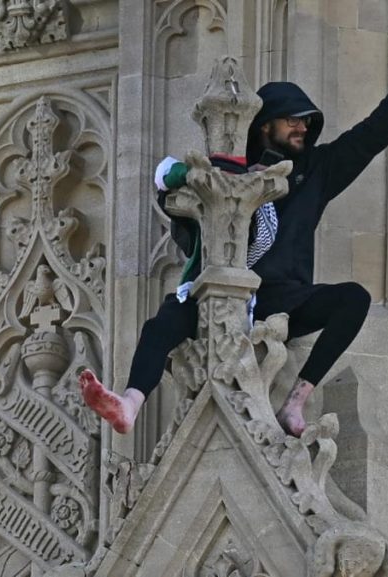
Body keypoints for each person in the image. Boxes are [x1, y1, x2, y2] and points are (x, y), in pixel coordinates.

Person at [245, 38, 388, 436]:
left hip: (287, 299)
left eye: (306, 121)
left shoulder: (316, 169)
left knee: (353, 299)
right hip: (241, 297)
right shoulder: (234, 173)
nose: (302, 127)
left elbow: (369, 137)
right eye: (292, 120)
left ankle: (296, 402)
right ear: (266, 125)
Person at [79, 153, 279, 434]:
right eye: (220, 179)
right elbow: (163, 172)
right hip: (198, 293)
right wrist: (195, 176)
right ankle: (130, 404)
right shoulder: (203, 195)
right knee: (158, 330)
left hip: (240, 304)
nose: (225, 186)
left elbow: (266, 235)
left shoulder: (261, 212)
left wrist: (254, 179)